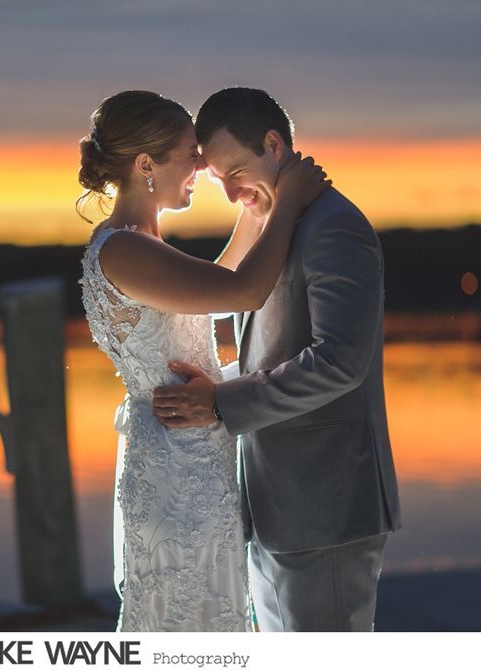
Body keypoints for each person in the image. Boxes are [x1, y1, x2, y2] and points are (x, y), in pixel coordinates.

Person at [77, 90, 328, 631]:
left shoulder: (141, 241)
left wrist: (256, 211)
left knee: (209, 607)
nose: (201, 167)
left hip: (191, 447)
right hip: (175, 461)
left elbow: (218, 284)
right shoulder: (124, 249)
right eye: (190, 154)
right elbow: (244, 291)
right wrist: (287, 202)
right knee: (187, 610)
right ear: (145, 165)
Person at [152, 87, 402, 632]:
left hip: (325, 507)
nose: (231, 191)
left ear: (274, 144)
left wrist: (221, 402)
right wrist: (216, 386)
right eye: (219, 179)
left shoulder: (332, 227)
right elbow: (269, 348)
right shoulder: (275, 225)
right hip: (274, 508)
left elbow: (338, 362)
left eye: (237, 170)